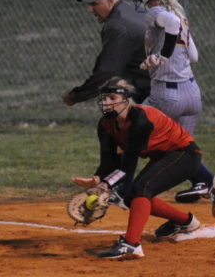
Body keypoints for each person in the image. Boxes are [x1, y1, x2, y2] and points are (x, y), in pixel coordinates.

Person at [71, 77, 206, 260]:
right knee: (131, 196)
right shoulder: (106, 125)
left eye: (112, 98)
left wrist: (106, 185)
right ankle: (186, 222)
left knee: (141, 188)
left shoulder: (141, 121)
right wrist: (97, 179)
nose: (106, 102)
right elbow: (109, 161)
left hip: (184, 155)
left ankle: (131, 245)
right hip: (162, 156)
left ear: (126, 100)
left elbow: (127, 166)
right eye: (104, 98)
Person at [135, 0, 215, 216]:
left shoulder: (157, 12)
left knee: (129, 129)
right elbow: (193, 56)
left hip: (167, 94)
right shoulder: (179, 14)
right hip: (192, 93)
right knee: (181, 153)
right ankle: (211, 183)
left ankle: (118, 189)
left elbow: (171, 25)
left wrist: (163, 54)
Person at [62, 0, 150, 106]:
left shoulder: (117, 25)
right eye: (88, 4)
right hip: (170, 82)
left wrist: (75, 96)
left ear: (110, 0)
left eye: (94, 3)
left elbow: (106, 73)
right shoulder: (133, 8)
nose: (90, 9)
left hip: (156, 92)